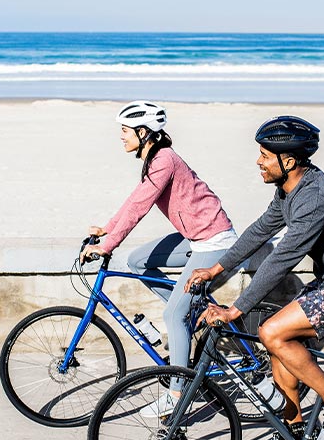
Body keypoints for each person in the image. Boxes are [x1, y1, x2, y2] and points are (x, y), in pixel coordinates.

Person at [187, 116, 324, 440]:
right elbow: (259, 231)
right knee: (279, 342)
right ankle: (292, 430)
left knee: (272, 332)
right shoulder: (289, 190)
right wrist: (216, 269)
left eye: (264, 155)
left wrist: (235, 310)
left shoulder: (315, 198)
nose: (258, 162)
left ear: (289, 161)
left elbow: (281, 259)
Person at [79, 101, 237, 416]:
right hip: (196, 238)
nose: (121, 137)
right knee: (138, 261)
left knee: (172, 316)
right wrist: (107, 230)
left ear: (143, 132)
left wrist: (108, 245)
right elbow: (134, 201)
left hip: (214, 242)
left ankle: (178, 395)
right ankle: (189, 311)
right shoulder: (155, 159)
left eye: (124, 131)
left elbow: (140, 206)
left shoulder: (164, 160)